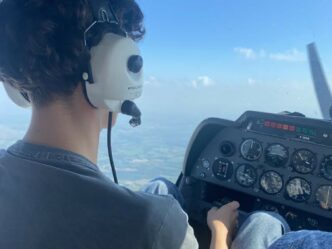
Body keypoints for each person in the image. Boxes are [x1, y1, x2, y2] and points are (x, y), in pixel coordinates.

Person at [0, 0, 238, 248]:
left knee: (160, 187)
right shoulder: (153, 224)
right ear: (113, 62)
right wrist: (220, 232)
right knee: (265, 224)